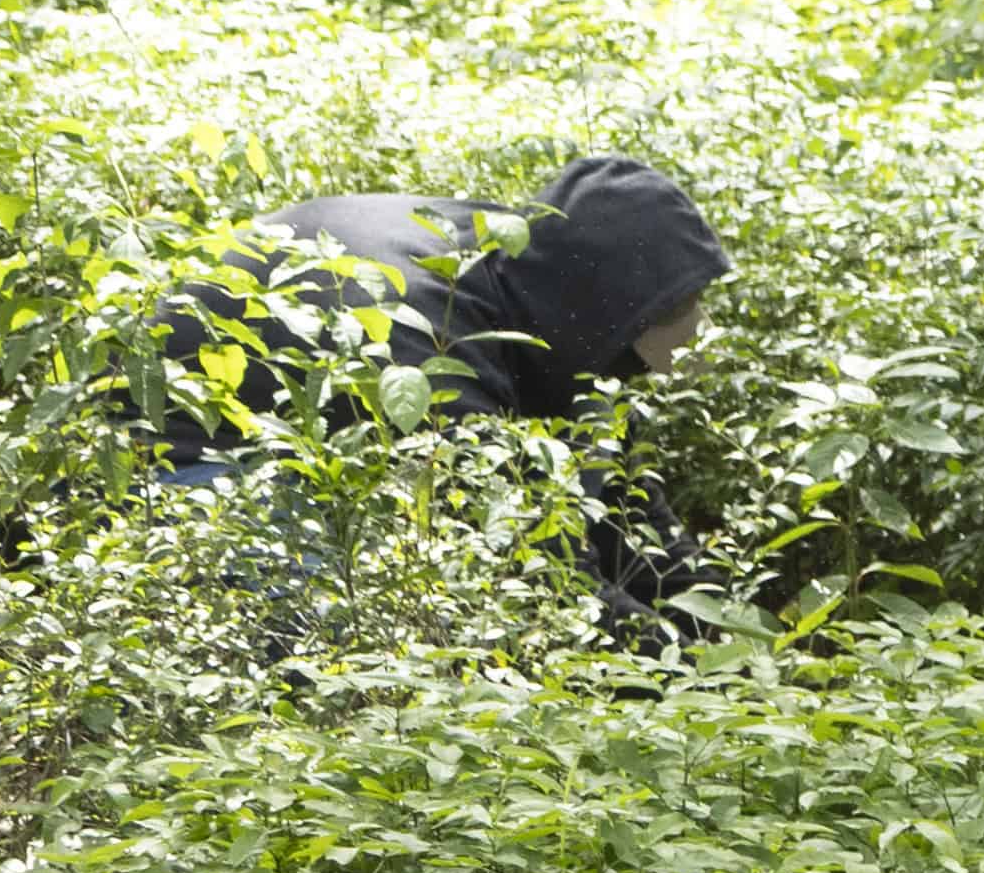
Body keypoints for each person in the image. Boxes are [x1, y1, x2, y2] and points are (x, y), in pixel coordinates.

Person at [153, 153, 732, 613]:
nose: (630, 377)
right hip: (183, 458)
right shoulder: (428, 342)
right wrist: (670, 675)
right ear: (600, 318)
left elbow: (620, 503)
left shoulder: (533, 264)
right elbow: (524, 567)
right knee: (358, 598)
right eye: (630, 356)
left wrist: (720, 623)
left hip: (307, 407)